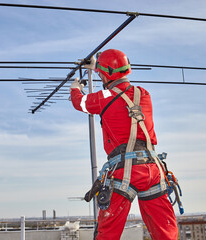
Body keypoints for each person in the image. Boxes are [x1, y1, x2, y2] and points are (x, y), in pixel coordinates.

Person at [70, 49, 178, 240]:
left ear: (106, 74)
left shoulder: (104, 98)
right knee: (165, 232)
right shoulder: (144, 94)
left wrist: (75, 87)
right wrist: (99, 67)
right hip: (152, 169)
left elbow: (81, 103)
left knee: (108, 232)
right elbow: (119, 91)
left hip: (123, 170)